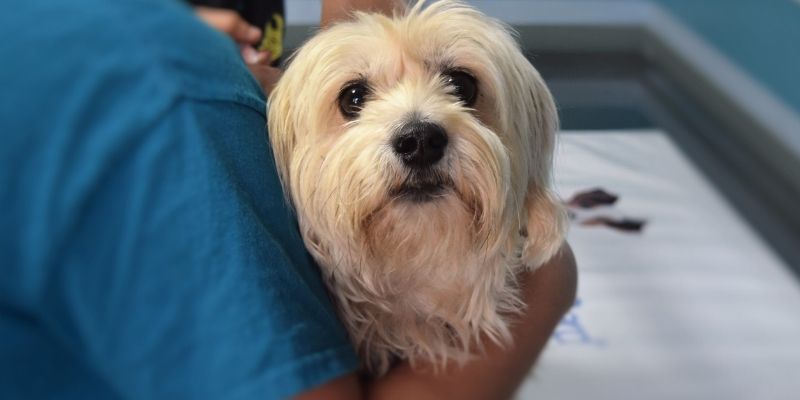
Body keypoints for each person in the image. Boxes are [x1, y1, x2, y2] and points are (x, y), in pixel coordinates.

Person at [0, 0, 577, 399]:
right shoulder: (169, 98)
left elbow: (359, 32)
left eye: (462, 86)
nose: (419, 127)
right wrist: (549, 286)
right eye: (355, 100)